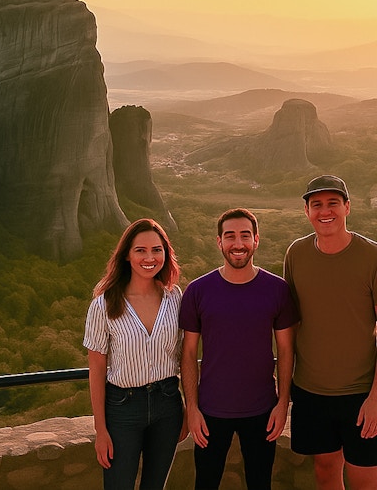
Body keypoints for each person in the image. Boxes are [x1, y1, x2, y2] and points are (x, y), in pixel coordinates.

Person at [180, 208, 298, 490]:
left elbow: (286, 351)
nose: (238, 243)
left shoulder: (277, 289)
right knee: (205, 483)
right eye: (230, 236)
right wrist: (192, 409)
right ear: (219, 242)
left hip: (262, 409)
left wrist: (283, 404)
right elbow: (187, 354)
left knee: (260, 483)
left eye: (245, 235)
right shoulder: (198, 291)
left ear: (256, 240)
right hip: (210, 410)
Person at [284, 174, 377, 490]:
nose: (325, 211)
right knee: (324, 472)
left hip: (362, 392)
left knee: (365, 477)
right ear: (307, 212)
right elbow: (290, 322)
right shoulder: (296, 253)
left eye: (333, 203)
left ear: (347, 207)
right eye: (317, 204)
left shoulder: (372, 256)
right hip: (311, 392)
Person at [83, 218, 185, 490]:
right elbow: (96, 369)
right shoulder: (103, 304)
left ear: (166, 253)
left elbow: (183, 357)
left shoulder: (175, 297)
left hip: (167, 404)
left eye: (157, 249)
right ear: (127, 255)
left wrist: (187, 407)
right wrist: (100, 430)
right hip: (122, 409)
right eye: (140, 250)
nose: (149, 257)